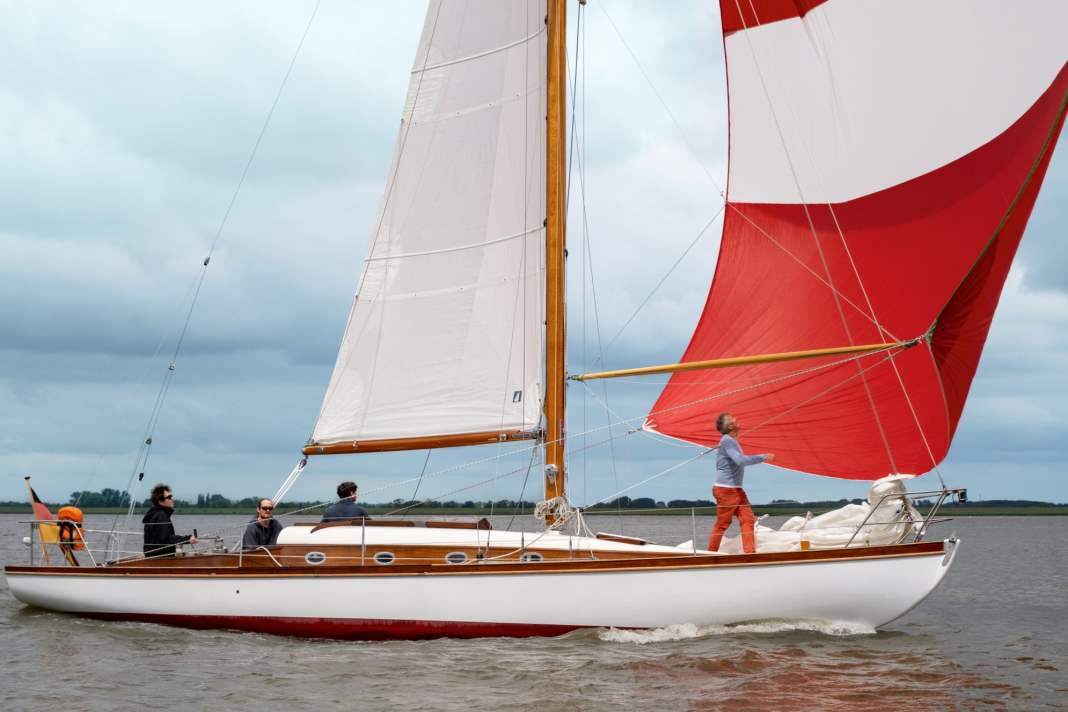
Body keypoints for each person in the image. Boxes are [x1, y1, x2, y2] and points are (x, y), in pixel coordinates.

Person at [707, 413, 775, 554]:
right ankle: (710, 554)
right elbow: (740, 460)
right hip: (726, 490)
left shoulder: (728, 440)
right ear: (731, 426)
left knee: (748, 519)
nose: (737, 419)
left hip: (736, 490)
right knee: (723, 523)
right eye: (733, 419)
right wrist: (763, 457)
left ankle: (750, 554)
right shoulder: (727, 440)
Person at [142, 484, 197, 558]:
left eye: (171, 496)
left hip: (152, 557)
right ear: (160, 501)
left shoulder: (153, 514)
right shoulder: (161, 516)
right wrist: (188, 539)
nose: (172, 499)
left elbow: (162, 538)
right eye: (169, 497)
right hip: (162, 559)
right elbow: (167, 538)